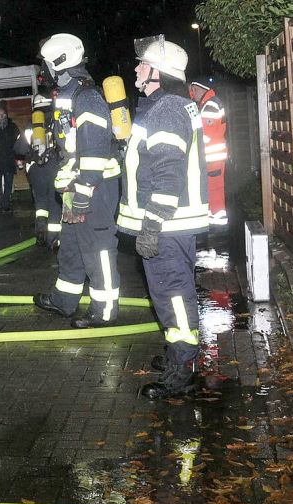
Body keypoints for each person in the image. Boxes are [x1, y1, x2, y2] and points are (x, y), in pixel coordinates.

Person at [118, 35, 209, 399]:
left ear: (157, 71)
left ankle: (182, 370)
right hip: (170, 226)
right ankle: (179, 355)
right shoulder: (169, 106)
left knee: (173, 295)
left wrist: (152, 224)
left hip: (167, 227)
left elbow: (167, 176)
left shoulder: (167, 110)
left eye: (142, 64)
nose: (137, 69)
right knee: (170, 294)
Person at [33, 33, 123, 329]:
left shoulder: (88, 97)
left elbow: (95, 149)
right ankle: (64, 300)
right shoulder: (69, 96)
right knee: (70, 245)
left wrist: (85, 190)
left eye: (45, 65)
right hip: (76, 187)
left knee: (97, 248)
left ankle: (105, 310)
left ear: (60, 62)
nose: (42, 71)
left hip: (94, 188)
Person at [15, 94, 62, 247]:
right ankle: (54, 239)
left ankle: (41, 235)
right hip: (54, 167)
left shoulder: (32, 124)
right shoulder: (57, 120)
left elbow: (19, 148)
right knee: (54, 202)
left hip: (36, 170)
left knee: (41, 202)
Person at [189, 80, 227, 226]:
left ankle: (217, 218)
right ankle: (215, 216)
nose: (192, 94)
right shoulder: (211, 103)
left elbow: (206, 134)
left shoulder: (210, 105)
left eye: (193, 90)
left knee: (214, 187)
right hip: (214, 156)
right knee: (214, 187)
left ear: (199, 88)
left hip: (212, 156)